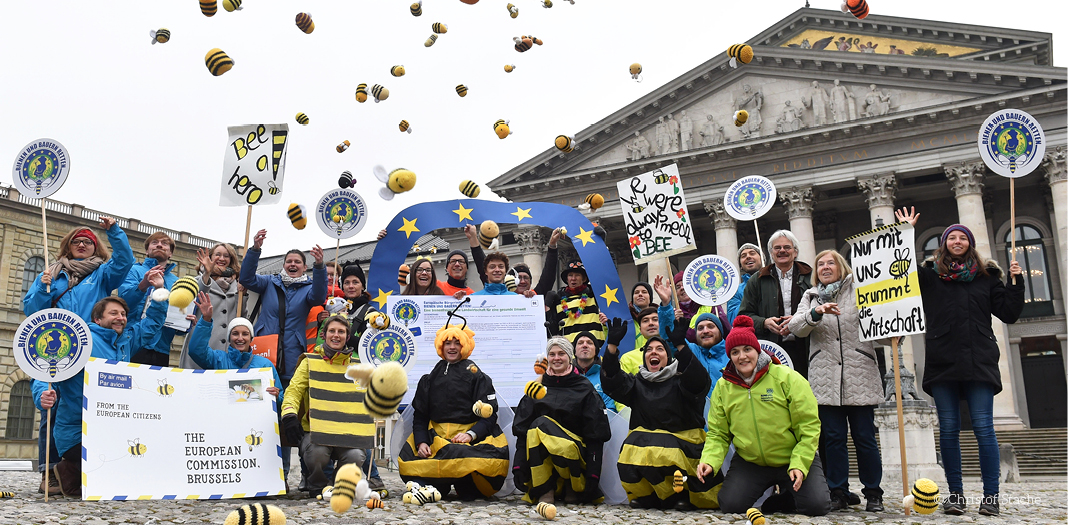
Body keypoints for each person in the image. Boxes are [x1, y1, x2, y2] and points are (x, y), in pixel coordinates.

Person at [896, 207, 1024, 517]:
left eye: (961, 237)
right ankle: (956, 495)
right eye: (951, 237)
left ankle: (991, 497)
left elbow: (1008, 312)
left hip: (979, 360)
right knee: (949, 430)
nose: (956, 241)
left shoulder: (987, 277)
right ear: (944, 244)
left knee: (984, 429)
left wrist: (1017, 283)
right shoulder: (929, 275)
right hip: (943, 361)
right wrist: (905, 233)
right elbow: (902, 271)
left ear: (969, 244)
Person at [22, 216, 133, 493]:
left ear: (96, 249)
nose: (82, 244)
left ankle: (81, 470)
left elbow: (125, 262)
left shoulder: (102, 274)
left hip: (91, 347)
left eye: (88, 242)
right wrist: (40, 286)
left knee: (94, 410)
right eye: (77, 241)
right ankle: (48, 472)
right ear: (67, 246)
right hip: (59, 345)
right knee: (52, 407)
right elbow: (32, 311)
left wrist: (114, 232)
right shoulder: (51, 273)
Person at [33, 290, 168, 498]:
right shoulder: (79, 342)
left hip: (110, 430)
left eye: (123, 314)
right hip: (77, 434)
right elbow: (45, 373)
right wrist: (43, 393)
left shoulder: (125, 343)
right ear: (97, 319)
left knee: (140, 456)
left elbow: (150, 326)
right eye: (113, 313)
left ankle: (73, 474)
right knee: (122, 464)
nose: (120, 318)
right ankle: (70, 468)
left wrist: (159, 298)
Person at [697, 315, 829, 517]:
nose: (742, 357)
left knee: (816, 507)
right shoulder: (723, 387)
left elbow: (809, 427)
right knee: (730, 504)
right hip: (751, 462)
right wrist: (709, 461)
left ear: (757, 350)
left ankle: (787, 496)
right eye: (735, 352)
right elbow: (718, 434)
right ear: (729, 356)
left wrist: (800, 463)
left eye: (747, 349)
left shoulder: (788, 378)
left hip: (790, 458)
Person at [787, 250, 884, 512]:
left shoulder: (861, 291)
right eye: (820, 264)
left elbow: (883, 329)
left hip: (859, 373)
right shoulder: (811, 296)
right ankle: (838, 490)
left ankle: (873, 492)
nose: (825, 267)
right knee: (833, 438)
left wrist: (895, 330)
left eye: (831, 263)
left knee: (865, 437)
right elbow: (796, 327)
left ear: (841, 267)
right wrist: (816, 312)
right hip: (825, 377)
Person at [600, 319, 720, 510]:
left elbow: (699, 381)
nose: (653, 352)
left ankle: (682, 494)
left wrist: (681, 344)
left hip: (684, 447)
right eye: (649, 349)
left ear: (669, 357)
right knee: (633, 444)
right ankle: (648, 494)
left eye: (660, 349)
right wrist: (612, 346)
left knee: (661, 445)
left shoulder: (682, 379)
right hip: (647, 446)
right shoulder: (637, 383)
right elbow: (612, 382)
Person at [398, 321, 510, 500]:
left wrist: (470, 435)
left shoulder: (479, 378)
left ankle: (462, 482)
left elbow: (489, 418)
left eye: (457, 343)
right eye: (447, 343)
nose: (452, 347)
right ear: (441, 346)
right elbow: (420, 416)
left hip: (468, 442)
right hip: (436, 439)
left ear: (465, 346)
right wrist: (421, 442)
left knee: (470, 492)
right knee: (424, 478)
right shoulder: (428, 380)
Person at [281, 313, 376, 498]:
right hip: (316, 433)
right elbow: (294, 390)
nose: (336, 335)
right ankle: (317, 485)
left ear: (347, 337)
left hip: (347, 433)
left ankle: (341, 484)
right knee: (316, 454)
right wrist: (289, 414)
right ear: (323, 335)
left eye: (341, 332)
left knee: (356, 455)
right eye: (332, 331)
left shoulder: (360, 366)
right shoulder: (309, 361)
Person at [513, 337, 612, 505]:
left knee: (541, 426)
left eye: (561, 354)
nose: (556, 358)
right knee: (538, 427)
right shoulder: (537, 387)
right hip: (541, 455)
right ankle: (546, 489)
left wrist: (593, 476)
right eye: (552, 354)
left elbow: (596, 433)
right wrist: (518, 465)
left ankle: (571, 486)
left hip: (574, 455)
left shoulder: (583, 387)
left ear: (570, 357)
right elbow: (522, 430)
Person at [238, 229, 327, 383]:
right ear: (284, 265)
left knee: (287, 395)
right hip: (265, 346)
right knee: (261, 387)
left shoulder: (308, 289)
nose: (293, 264)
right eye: (289, 261)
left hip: (292, 352)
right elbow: (246, 279)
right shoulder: (269, 282)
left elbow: (319, 297)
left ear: (305, 267)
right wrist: (255, 250)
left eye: (297, 262)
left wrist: (319, 267)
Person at [739, 230, 813, 378]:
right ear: (771, 253)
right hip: (771, 352)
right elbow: (744, 316)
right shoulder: (757, 280)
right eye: (777, 248)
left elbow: (820, 311)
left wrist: (799, 321)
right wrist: (764, 322)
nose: (782, 251)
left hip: (807, 349)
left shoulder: (810, 276)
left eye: (787, 247)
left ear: (795, 252)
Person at [187, 292, 283, 401]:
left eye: (245, 334)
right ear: (229, 338)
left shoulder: (265, 364)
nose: (240, 338)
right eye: (235, 333)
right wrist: (206, 320)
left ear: (251, 339)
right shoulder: (218, 359)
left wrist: (277, 396)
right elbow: (196, 351)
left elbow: (281, 400)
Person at [178, 243, 244, 368]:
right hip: (202, 346)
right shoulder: (198, 281)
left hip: (226, 353)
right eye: (217, 254)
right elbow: (198, 295)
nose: (222, 259)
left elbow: (241, 317)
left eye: (226, 256)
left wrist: (243, 295)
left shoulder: (238, 286)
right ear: (210, 258)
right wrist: (207, 274)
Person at [120, 231, 180, 366]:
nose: (159, 245)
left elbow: (178, 328)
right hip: (133, 342)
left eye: (164, 243)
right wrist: (143, 285)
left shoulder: (177, 282)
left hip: (162, 349)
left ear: (170, 253)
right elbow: (124, 302)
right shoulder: (133, 271)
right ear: (147, 250)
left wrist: (185, 323)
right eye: (155, 242)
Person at [552, 261, 606, 348]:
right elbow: (553, 328)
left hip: (594, 349)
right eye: (570, 275)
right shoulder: (558, 300)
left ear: (584, 279)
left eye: (577, 275)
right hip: (569, 352)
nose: (573, 278)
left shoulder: (594, 295)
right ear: (567, 279)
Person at [571, 331, 616, 411]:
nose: (585, 345)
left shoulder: (606, 375)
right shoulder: (566, 375)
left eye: (589, 343)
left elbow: (611, 408)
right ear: (575, 351)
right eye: (580, 343)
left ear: (596, 351)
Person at [511, 228, 562, 296]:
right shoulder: (502, 297)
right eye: (519, 277)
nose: (522, 281)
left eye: (526, 278)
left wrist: (552, 245)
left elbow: (548, 276)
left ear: (530, 282)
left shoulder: (535, 296)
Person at [726, 243, 764, 324]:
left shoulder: (775, 282)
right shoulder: (735, 291)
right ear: (741, 266)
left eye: (752, 253)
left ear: (762, 259)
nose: (748, 257)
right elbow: (733, 319)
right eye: (743, 256)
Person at [628, 282, 658, 349]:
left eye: (644, 292)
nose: (640, 294)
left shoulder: (660, 317)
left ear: (650, 297)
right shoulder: (626, 318)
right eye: (636, 292)